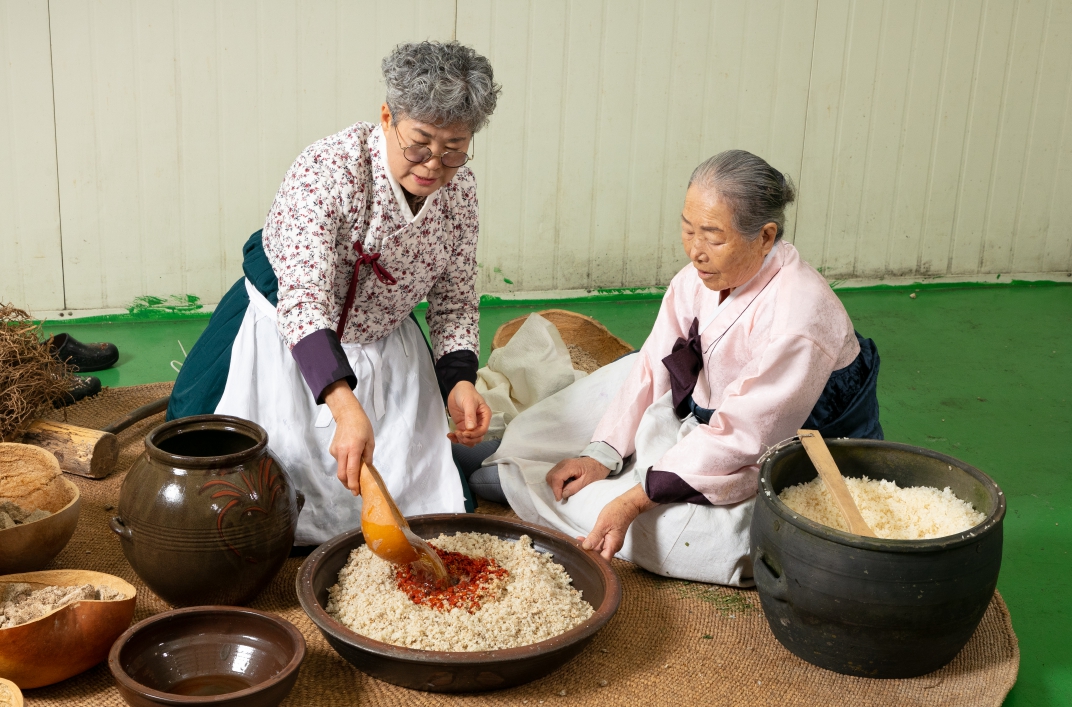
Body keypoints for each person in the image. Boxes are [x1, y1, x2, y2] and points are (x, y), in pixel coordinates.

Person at [487, 150, 882, 585]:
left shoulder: (798, 315)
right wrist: (602, 452)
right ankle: (515, 466)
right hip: (707, 410)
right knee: (569, 413)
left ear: (765, 237)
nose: (696, 251)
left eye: (713, 236)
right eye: (687, 228)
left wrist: (634, 501)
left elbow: (744, 435)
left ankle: (527, 485)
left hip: (782, 444)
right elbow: (654, 361)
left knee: (676, 535)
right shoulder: (698, 277)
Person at [167, 41, 500, 545]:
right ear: (387, 117)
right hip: (290, 333)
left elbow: (454, 299)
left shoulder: (461, 191)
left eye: (454, 148)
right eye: (421, 143)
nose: (434, 164)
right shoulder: (329, 169)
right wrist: (345, 408)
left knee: (420, 498)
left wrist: (458, 381)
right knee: (227, 492)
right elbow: (302, 301)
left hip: (383, 333)